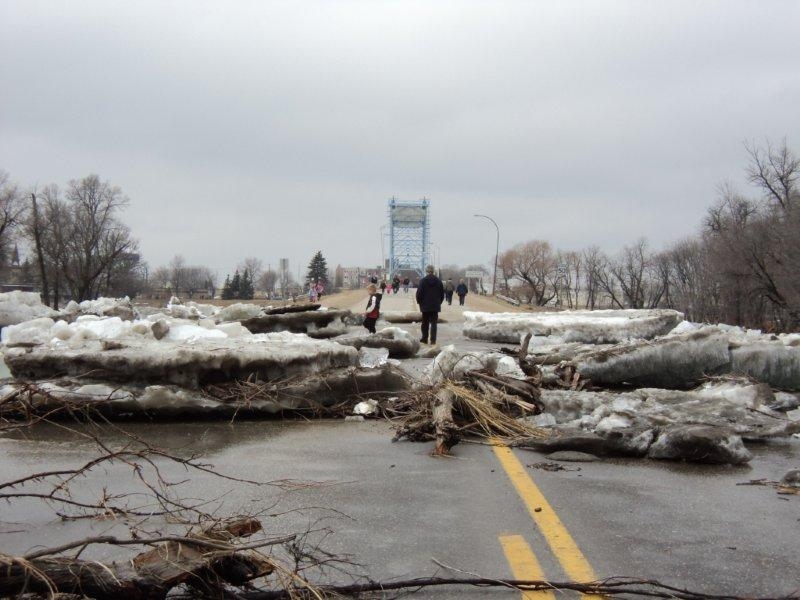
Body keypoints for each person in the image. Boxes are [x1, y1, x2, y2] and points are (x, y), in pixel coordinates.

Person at [415, 264, 444, 345]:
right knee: (434, 324)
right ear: (433, 271)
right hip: (435, 306)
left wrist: (419, 302)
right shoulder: (439, 281)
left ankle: (424, 338)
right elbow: (442, 294)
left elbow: (419, 293)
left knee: (425, 323)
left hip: (425, 306)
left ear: (426, 271)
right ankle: (433, 340)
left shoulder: (423, 281)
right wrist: (438, 303)